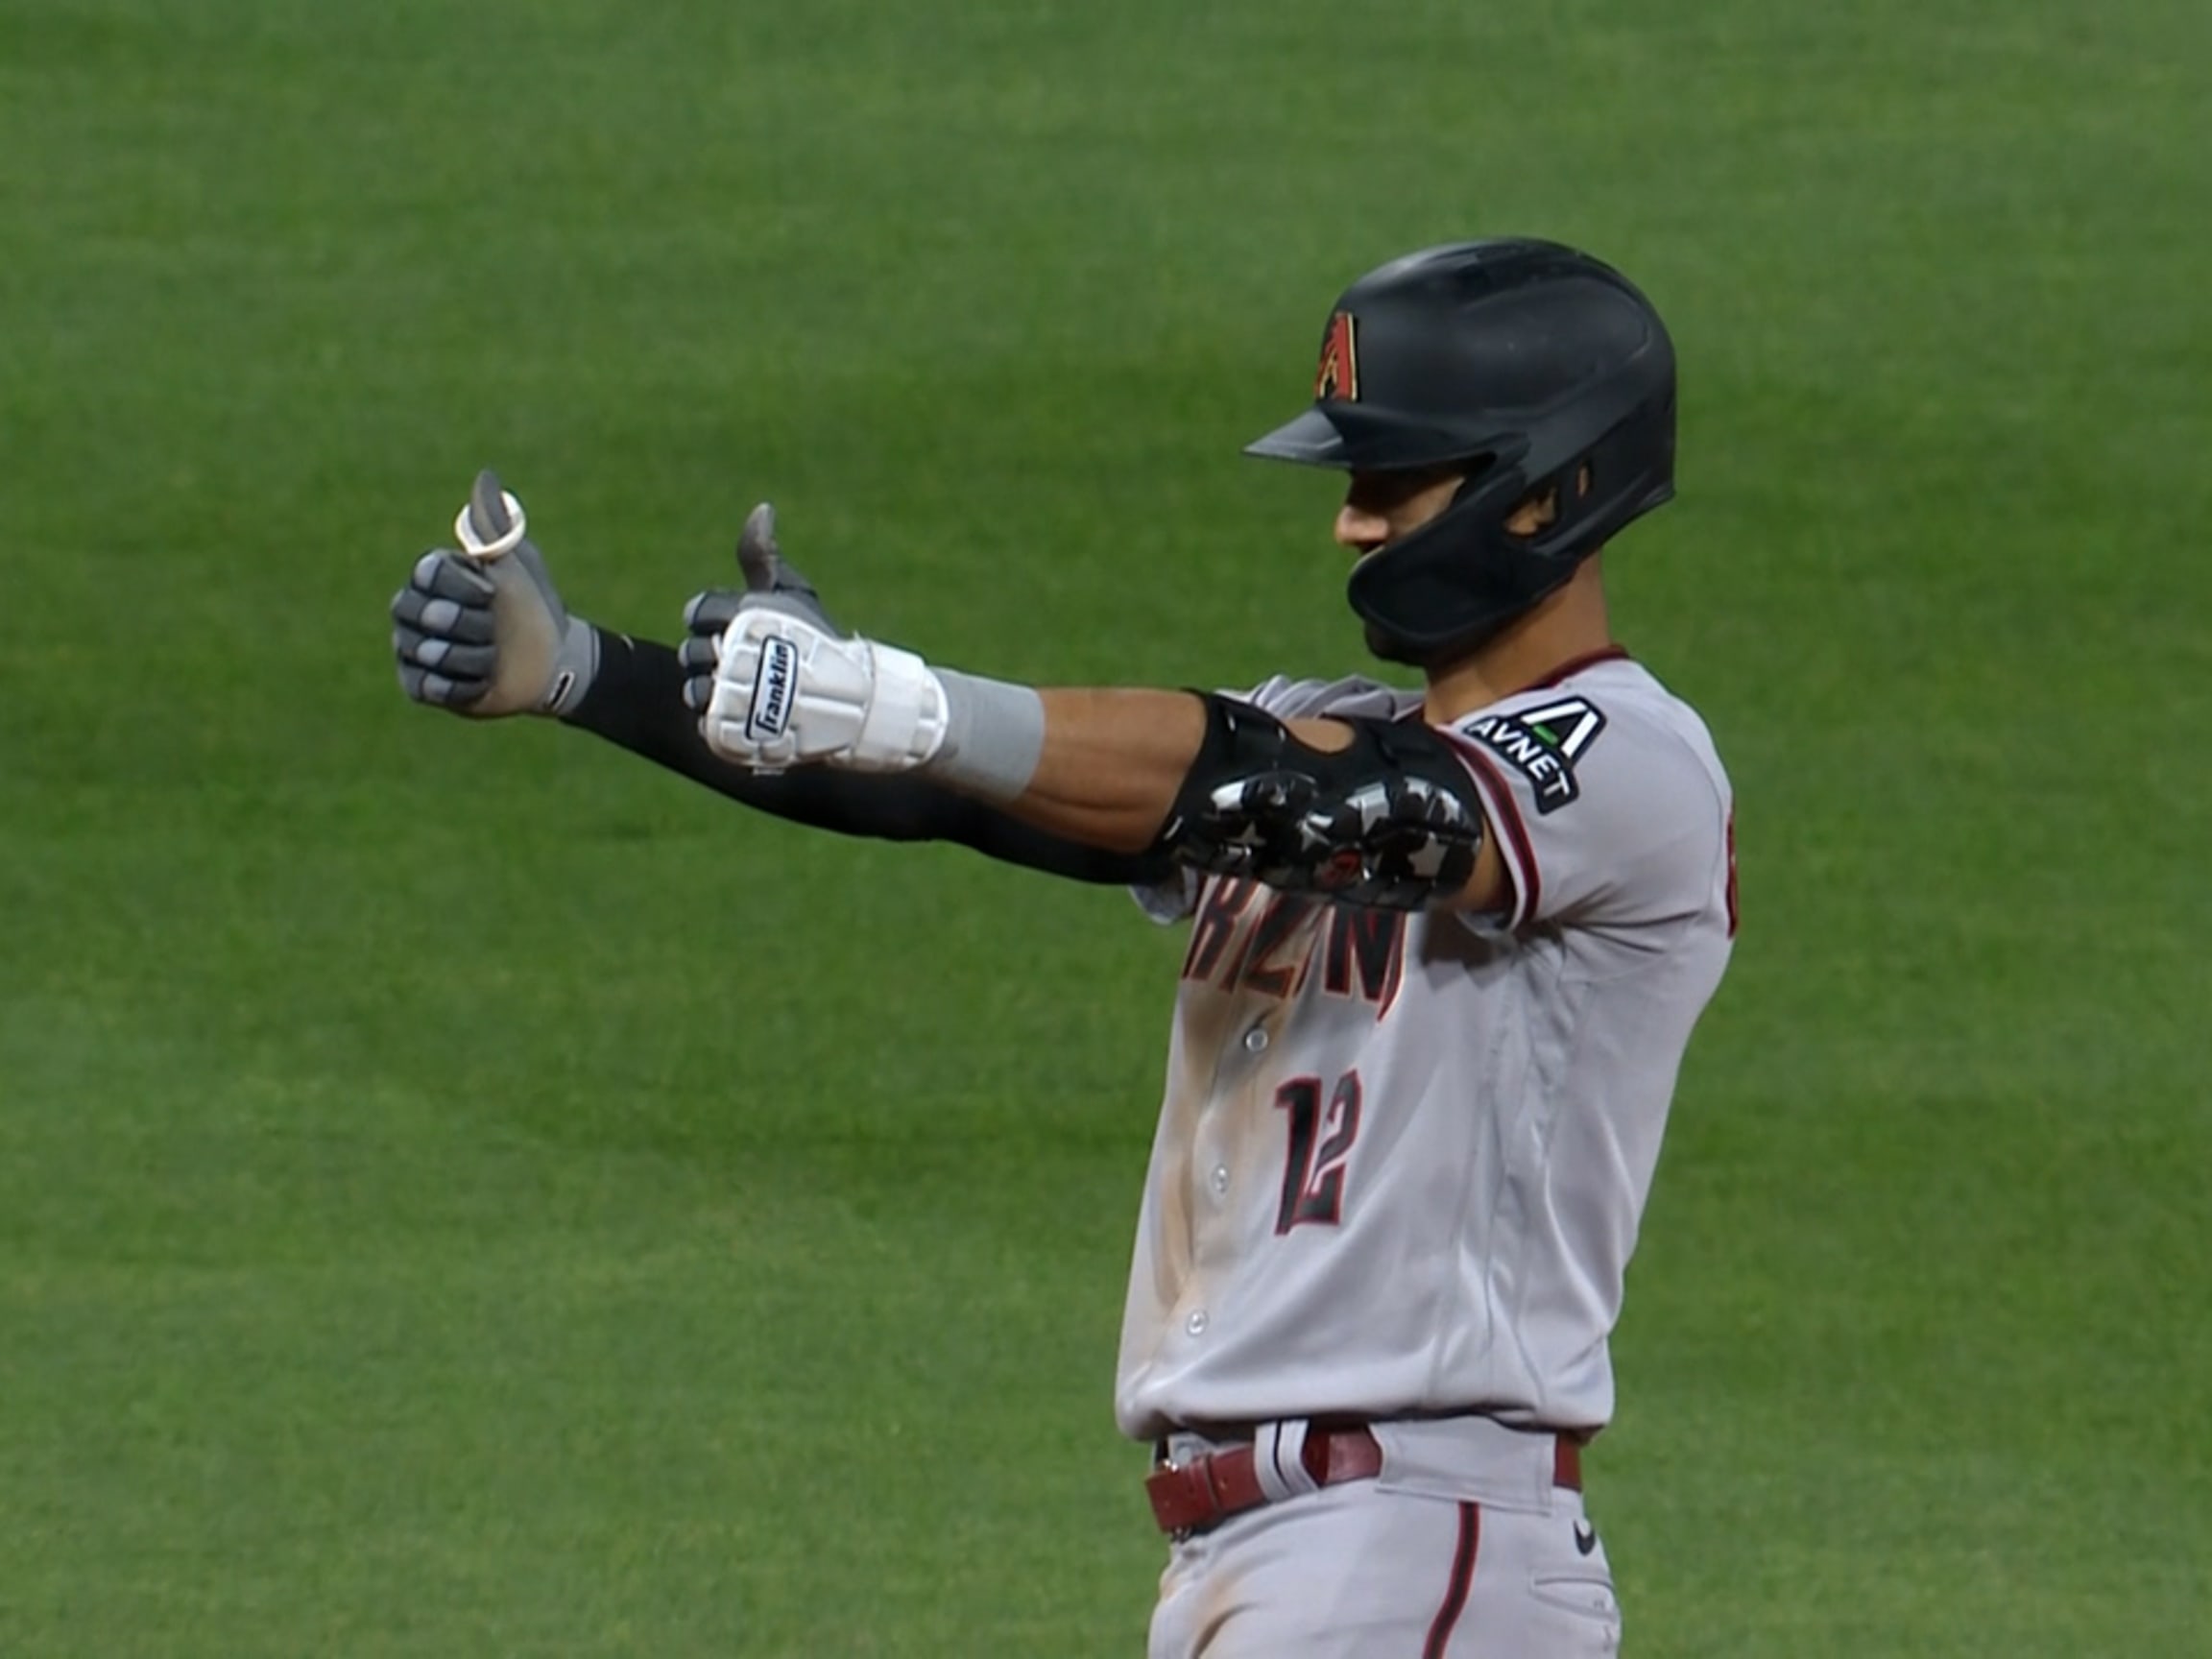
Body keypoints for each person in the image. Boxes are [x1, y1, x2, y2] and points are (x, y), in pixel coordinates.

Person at [390, 237, 1735, 1657]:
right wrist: (595, 677)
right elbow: (971, 795)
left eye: (1394, 481)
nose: (1352, 524)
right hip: (1269, 1563)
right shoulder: (1335, 724)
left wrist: (899, 699)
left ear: (1554, 486)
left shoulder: (1628, 764)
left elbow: (1305, 799)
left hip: (1415, 1545)